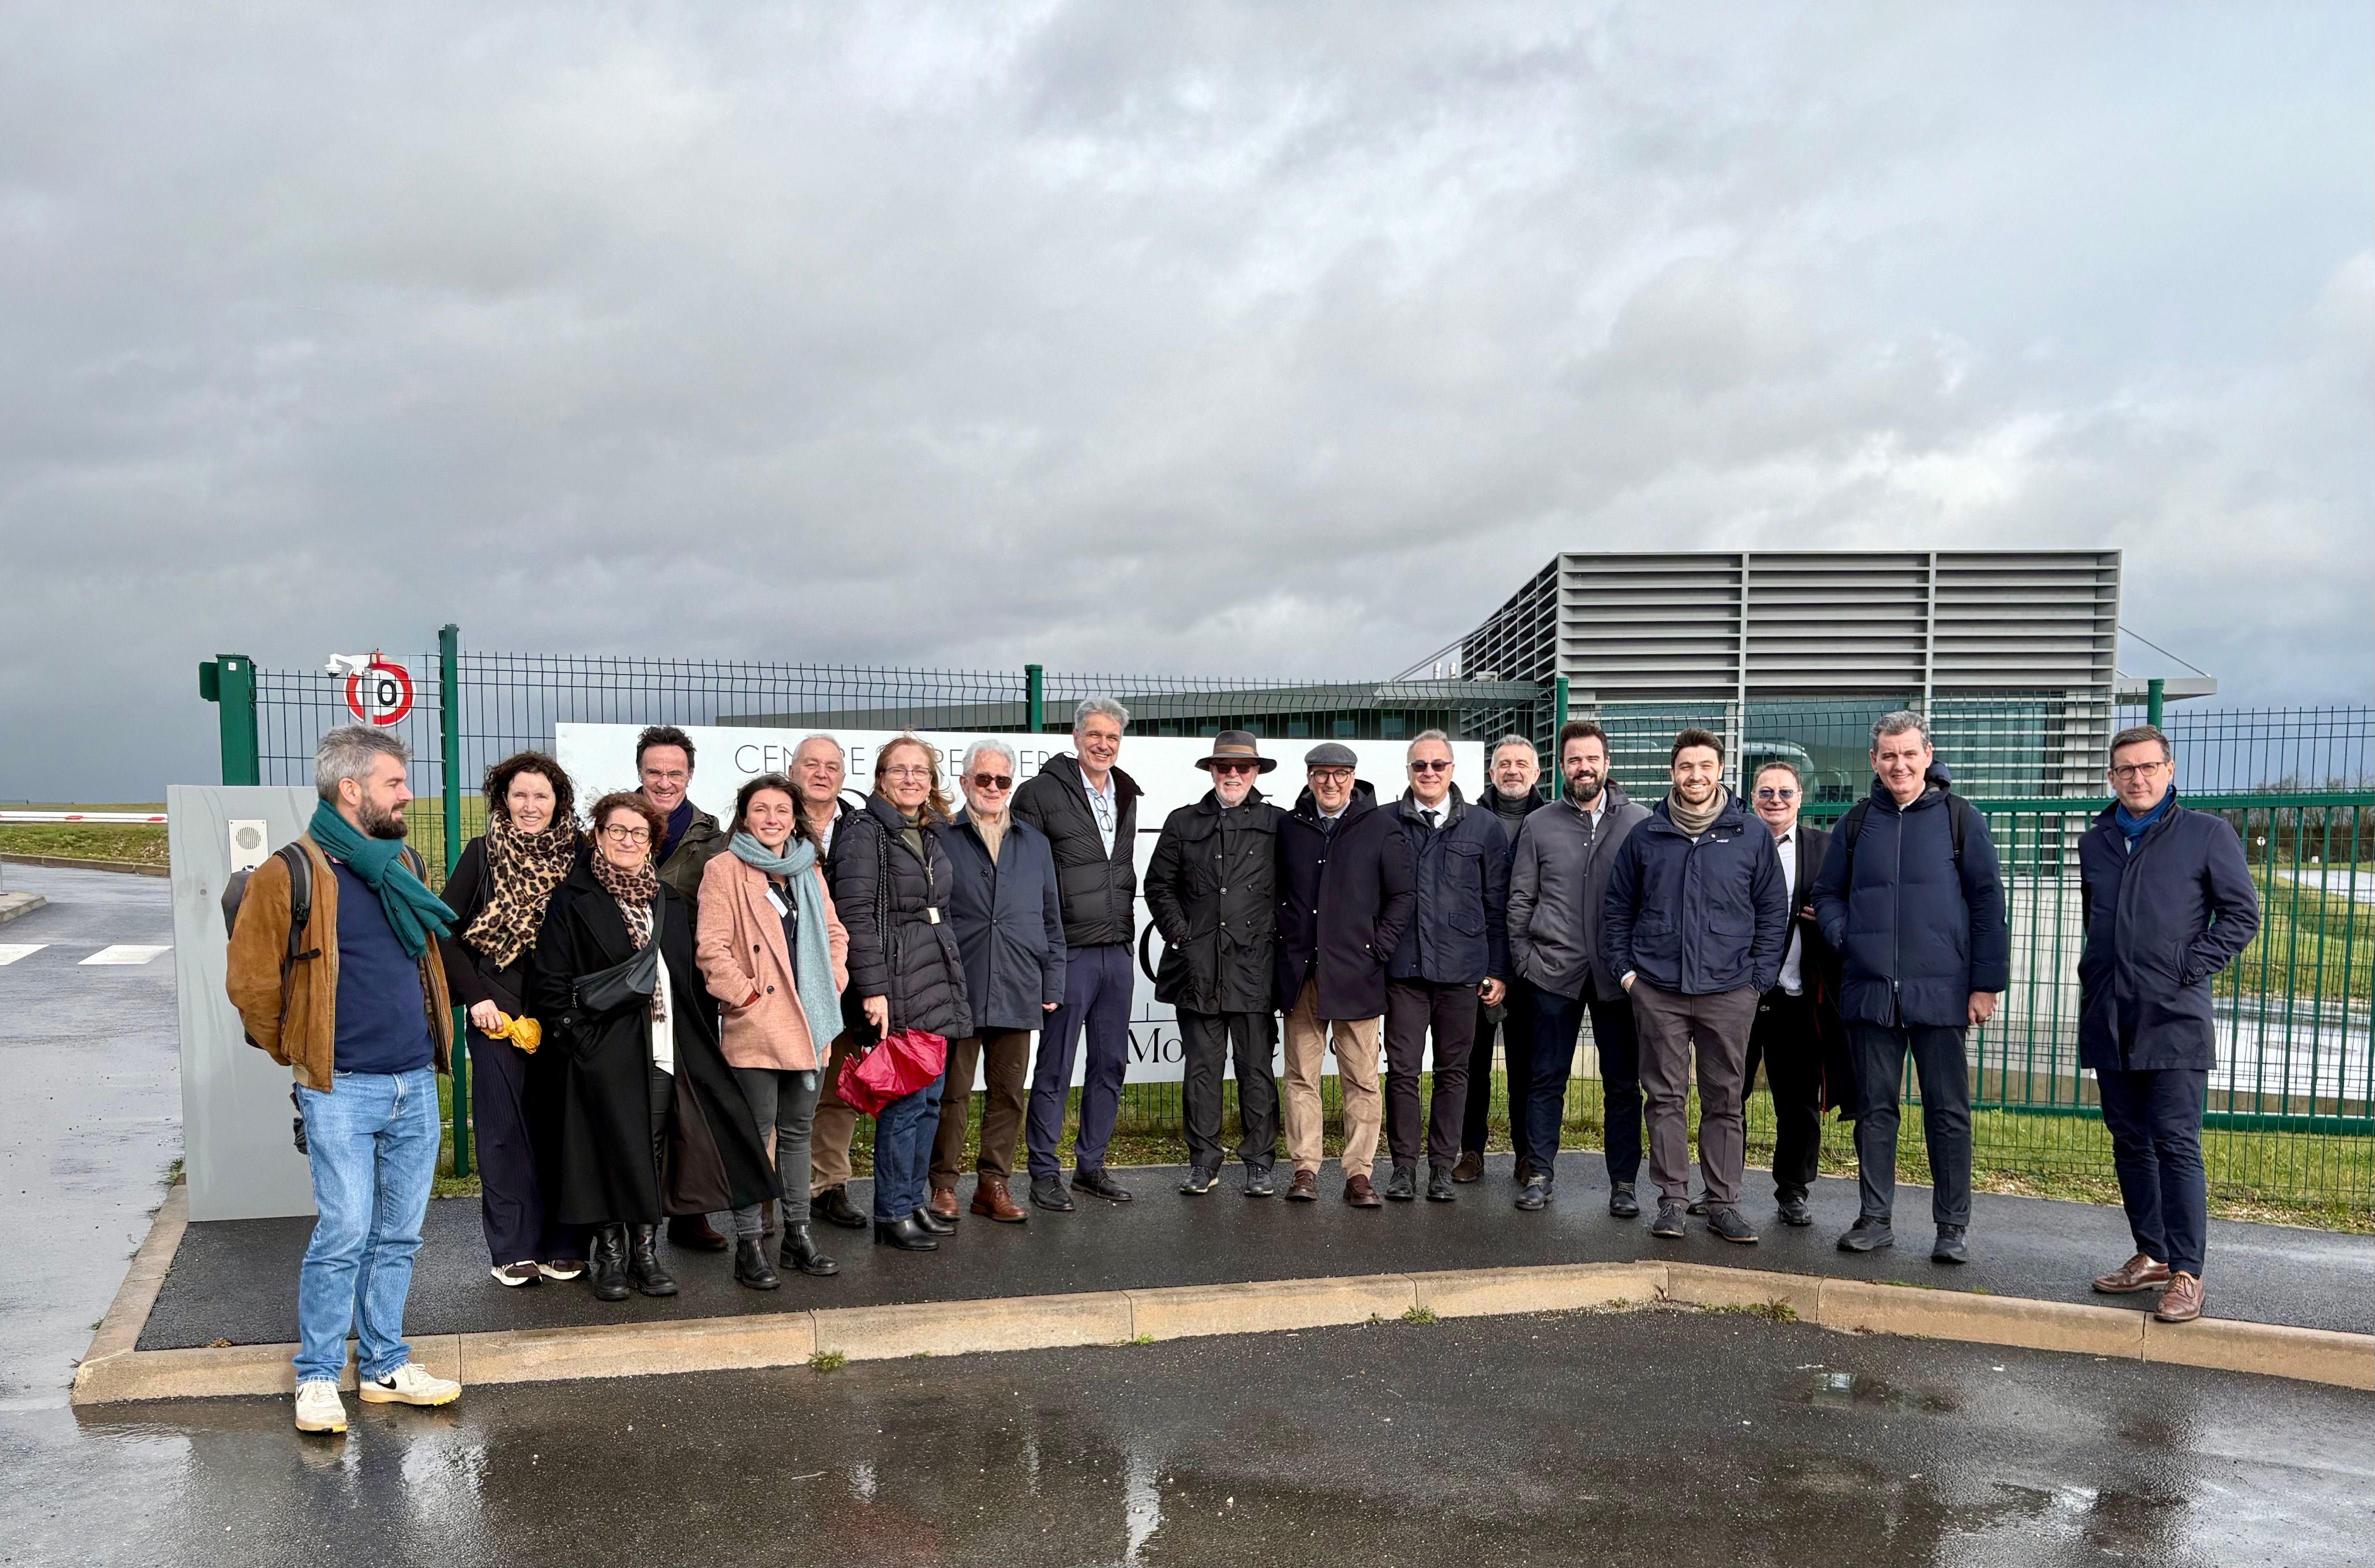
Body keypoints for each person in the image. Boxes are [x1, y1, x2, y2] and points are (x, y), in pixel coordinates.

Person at [227, 725, 463, 1434]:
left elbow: (424, 963)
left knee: (399, 1234)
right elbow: (251, 986)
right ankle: (319, 1373)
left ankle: (386, 1363)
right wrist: (300, 1054)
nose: (407, 793)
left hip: (414, 1081)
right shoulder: (289, 873)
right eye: (395, 782)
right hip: (338, 1087)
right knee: (344, 1230)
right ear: (351, 788)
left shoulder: (404, 862)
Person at [530, 792, 776, 1301]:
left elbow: (682, 976)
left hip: (667, 1047)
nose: (627, 840)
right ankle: (612, 1257)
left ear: (651, 843)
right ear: (597, 836)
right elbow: (551, 985)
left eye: (638, 833)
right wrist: (581, 1039)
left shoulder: (664, 899)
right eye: (616, 830)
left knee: (653, 1147)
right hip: (604, 1050)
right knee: (607, 1149)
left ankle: (646, 1252)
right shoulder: (572, 899)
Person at [1810, 710, 2009, 1265]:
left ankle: (1951, 1227)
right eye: (1888, 755)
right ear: (1874, 761)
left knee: (1947, 1112)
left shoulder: (1960, 820)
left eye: (1908, 754)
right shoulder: (1853, 825)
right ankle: (1874, 1219)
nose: (1899, 764)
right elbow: (1827, 895)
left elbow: (1988, 905)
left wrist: (1985, 985)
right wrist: (1847, 937)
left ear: (1927, 755)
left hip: (1943, 994)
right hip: (1871, 994)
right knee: (1874, 1110)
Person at [2081, 724, 2259, 1324]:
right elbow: (2096, 920)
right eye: (2125, 769)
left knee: (2176, 1144)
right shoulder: (2096, 840)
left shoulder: (2206, 834)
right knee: (2128, 1140)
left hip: (2174, 1017)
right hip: (2109, 1014)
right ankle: (2151, 1254)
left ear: (2169, 770)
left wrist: (2187, 965)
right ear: (2111, 776)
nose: (2137, 777)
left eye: (2148, 767)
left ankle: (2187, 1272)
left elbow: (2241, 915)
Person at [1602, 728, 1788, 1244]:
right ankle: (1671, 1201)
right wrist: (1628, 974)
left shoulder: (1750, 835)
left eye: (1705, 766)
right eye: (1686, 767)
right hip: (1657, 988)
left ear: (1721, 771)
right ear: (1672, 773)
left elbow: (1774, 911)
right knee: (1663, 1096)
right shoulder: (1646, 836)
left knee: (1724, 1098)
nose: (1695, 776)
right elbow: (1616, 909)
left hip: (1730, 990)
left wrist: (1758, 979)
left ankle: (1723, 1203)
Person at [695, 772, 852, 1285]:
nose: (772, 819)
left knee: (797, 1134)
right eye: (761, 810)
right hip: (756, 1026)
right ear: (745, 816)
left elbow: (833, 931)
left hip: (810, 1022)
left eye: (781, 811)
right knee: (752, 1135)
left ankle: (797, 1236)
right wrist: (742, 996)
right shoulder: (724, 869)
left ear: (794, 818)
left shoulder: (808, 868)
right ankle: (748, 1244)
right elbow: (711, 947)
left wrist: (833, 979)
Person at [439, 750, 587, 1287]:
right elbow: (444, 932)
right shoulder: (482, 855)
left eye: (540, 796)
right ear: (503, 800)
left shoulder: (580, 856)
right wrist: (477, 996)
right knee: (503, 1129)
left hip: (565, 1012)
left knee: (563, 1128)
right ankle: (513, 1247)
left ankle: (565, 1242)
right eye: (519, 795)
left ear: (557, 802)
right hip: (499, 1010)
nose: (529, 806)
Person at [831, 736, 974, 1251]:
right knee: (905, 1103)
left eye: (921, 771)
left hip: (931, 977)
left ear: (932, 780)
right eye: (900, 770)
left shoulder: (927, 832)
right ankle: (891, 1212)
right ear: (881, 777)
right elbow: (855, 915)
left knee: (930, 1101)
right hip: (894, 982)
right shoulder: (863, 831)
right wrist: (873, 989)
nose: (911, 779)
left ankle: (913, 1201)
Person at [1505, 721, 1648, 1215]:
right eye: (1573, 760)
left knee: (1623, 1085)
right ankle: (1539, 1174)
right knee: (1545, 1079)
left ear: (1606, 764)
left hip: (1619, 978)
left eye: (1591, 759)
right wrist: (1525, 960)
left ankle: (1624, 1185)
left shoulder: (1640, 821)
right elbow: (1521, 897)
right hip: (1552, 974)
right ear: (1561, 766)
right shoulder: (1539, 824)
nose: (1583, 768)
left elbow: (1652, 902)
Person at [1275, 742, 1417, 1207]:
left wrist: (1379, 947)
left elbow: (1402, 895)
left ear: (1353, 778)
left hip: (1357, 974)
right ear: (1309, 777)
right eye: (1320, 774)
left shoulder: (1381, 826)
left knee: (1361, 1079)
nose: (1330, 783)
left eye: (1339, 774)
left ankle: (1358, 1173)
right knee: (1300, 1077)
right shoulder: (1290, 827)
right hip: (1302, 976)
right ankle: (1304, 1169)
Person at [1016, 698, 1143, 1211]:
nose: (1103, 744)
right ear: (1075, 737)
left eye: (1112, 737)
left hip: (1116, 949)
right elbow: (1026, 881)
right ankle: (1044, 1171)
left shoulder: (1127, 793)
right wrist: (1042, 958)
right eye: (1094, 734)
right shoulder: (1039, 794)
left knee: (1110, 1064)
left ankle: (1091, 1166)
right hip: (1066, 953)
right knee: (1055, 1066)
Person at [1145, 731, 1286, 1196]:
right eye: (1223, 766)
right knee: (1202, 1072)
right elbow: (1158, 885)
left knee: (1256, 1070)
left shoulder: (1278, 823)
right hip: (1197, 968)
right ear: (1211, 770)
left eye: (1241, 767)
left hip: (1255, 967)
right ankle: (1202, 1160)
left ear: (1255, 772)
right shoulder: (1182, 822)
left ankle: (1259, 1162)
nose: (1232, 774)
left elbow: (1295, 890)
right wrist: (1182, 934)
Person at [932, 741, 1066, 1223]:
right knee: (953, 1092)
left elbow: (1052, 918)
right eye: (983, 779)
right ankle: (942, 1184)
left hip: (1017, 983)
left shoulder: (1035, 843)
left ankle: (993, 1184)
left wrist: (1053, 980)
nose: (992, 788)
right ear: (965, 782)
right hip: (958, 985)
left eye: (1002, 780)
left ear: (1011, 784)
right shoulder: (941, 837)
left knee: (1009, 1092)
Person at [1383, 730, 1509, 1202]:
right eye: (1420, 765)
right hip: (1404, 972)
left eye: (1438, 764)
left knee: (1454, 1072)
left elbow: (1497, 905)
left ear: (1453, 770)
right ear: (1409, 772)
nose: (1429, 773)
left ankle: (1440, 1166)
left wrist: (1498, 969)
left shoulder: (1484, 827)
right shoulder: (1385, 824)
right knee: (1401, 1071)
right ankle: (1401, 1168)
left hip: (1462, 972)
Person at [634, 724, 731, 1253]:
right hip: (626, 990)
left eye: (675, 773)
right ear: (640, 774)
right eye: (655, 772)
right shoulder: (616, 825)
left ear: (689, 775)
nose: (665, 782)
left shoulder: (711, 837)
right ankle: (632, 1216)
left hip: (690, 989)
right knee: (635, 1103)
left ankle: (690, 1214)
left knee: (692, 1104)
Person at [1737, 759, 1838, 1228]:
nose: (1774, 800)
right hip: (1736, 996)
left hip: (1797, 996)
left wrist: (1832, 916)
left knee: (1797, 1103)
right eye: (1765, 792)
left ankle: (1793, 1191)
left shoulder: (1827, 847)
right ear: (1751, 798)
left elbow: (1849, 901)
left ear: (1800, 798)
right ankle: (1721, 1188)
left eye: (1784, 792)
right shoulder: (1732, 840)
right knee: (1726, 1097)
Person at [789, 734, 876, 1233]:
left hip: (848, 977)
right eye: (811, 764)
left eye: (831, 766)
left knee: (840, 1088)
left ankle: (830, 1184)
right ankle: (779, 1192)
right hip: (785, 979)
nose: (821, 774)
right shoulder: (770, 816)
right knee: (784, 1087)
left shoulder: (862, 827)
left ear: (843, 776)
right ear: (793, 768)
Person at [1455, 735, 1547, 1182]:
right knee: (1471, 1062)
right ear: (1491, 773)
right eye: (1503, 763)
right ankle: (1470, 1150)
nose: (1512, 770)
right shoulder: (1468, 820)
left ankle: (1526, 1154)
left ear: (1536, 773)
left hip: (1534, 963)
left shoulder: (1553, 820)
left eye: (1521, 764)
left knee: (1527, 1066)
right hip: (1478, 962)